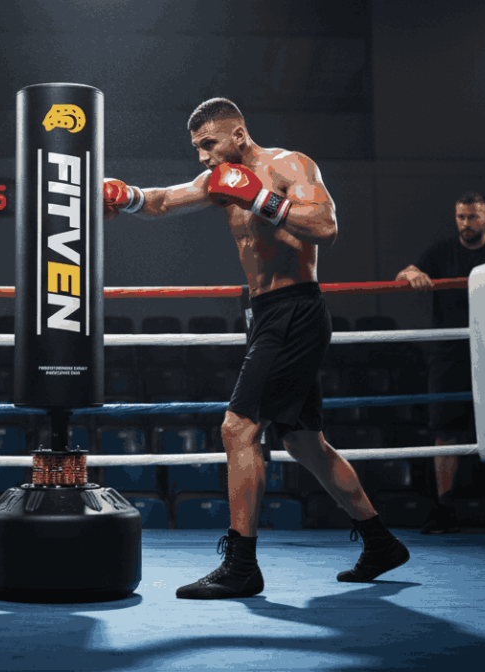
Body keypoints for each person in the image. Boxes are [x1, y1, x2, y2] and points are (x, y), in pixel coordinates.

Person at [104, 97, 409, 599]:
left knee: (238, 427)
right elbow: (162, 200)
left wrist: (261, 200)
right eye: (197, 147)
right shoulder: (219, 179)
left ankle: (241, 564)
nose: (203, 157)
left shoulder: (289, 164)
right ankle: (381, 542)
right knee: (303, 440)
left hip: (295, 308)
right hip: (264, 312)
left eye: (208, 144)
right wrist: (121, 194)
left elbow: (326, 228)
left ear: (238, 134)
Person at [395, 192, 485, 536]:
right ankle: (443, 509)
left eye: (473, 217)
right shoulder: (441, 252)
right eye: (462, 217)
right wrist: (412, 274)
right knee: (444, 432)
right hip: (449, 352)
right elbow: (405, 271)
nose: (467, 223)